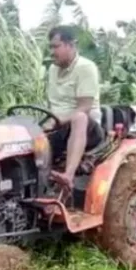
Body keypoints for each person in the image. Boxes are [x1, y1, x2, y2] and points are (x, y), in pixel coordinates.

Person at [44, 25, 104, 191]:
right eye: (50, 47)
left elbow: (84, 107)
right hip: (59, 127)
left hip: (87, 130)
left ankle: (68, 176)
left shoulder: (86, 67)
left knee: (80, 118)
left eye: (56, 46)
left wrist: (58, 121)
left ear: (71, 45)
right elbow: (53, 105)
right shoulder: (52, 70)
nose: (52, 51)